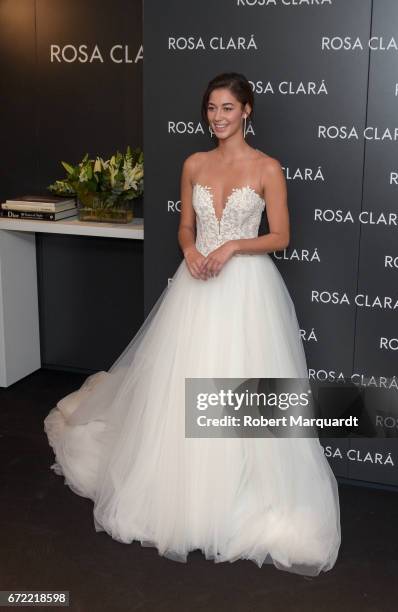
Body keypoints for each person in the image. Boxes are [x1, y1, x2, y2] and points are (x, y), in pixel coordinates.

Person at [44, 72, 341, 575]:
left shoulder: (268, 167)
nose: (218, 117)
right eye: (211, 109)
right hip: (195, 283)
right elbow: (184, 224)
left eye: (228, 108)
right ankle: (179, 492)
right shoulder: (194, 163)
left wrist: (231, 245)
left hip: (247, 290)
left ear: (247, 110)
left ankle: (238, 496)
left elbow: (282, 236)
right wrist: (190, 248)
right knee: (181, 386)